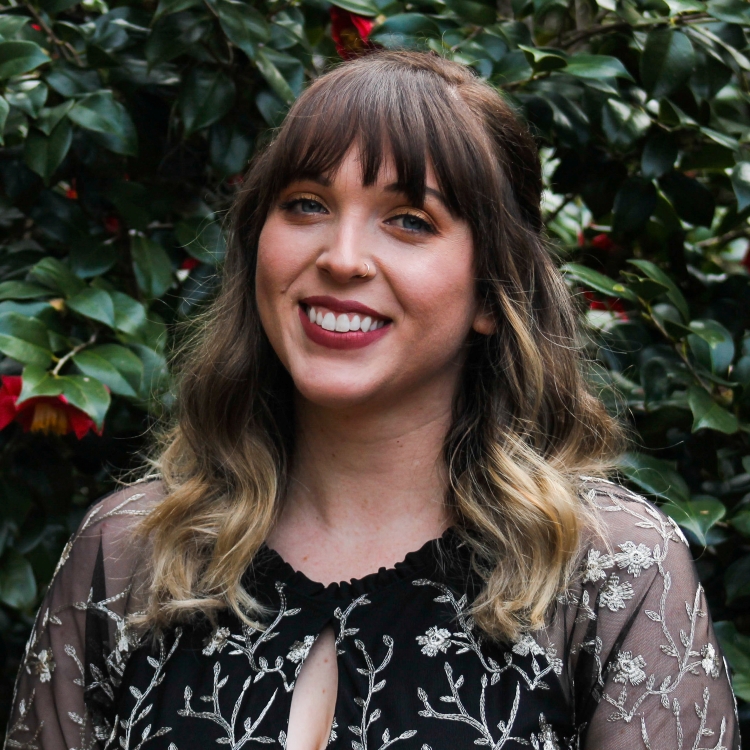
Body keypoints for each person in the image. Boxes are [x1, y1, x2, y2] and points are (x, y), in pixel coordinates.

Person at [4, 51, 739, 750]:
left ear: (491, 291)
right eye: (306, 204)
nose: (343, 257)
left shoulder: (609, 572)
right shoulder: (133, 552)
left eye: (409, 220)